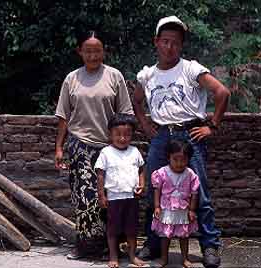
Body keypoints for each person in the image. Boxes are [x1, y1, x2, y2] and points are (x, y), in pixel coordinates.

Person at [133, 16, 231, 268]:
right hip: (161, 138)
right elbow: (136, 101)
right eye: (165, 41)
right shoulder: (147, 75)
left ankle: (209, 245)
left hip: (189, 136)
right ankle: (153, 243)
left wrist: (212, 126)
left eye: (175, 43)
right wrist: (144, 124)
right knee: (154, 190)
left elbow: (222, 92)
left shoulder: (190, 69)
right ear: (156, 42)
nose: (169, 47)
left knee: (198, 191)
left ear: (181, 45)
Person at [54, 30, 134, 259]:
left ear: (104, 51)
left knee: (113, 198)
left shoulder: (114, 76)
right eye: (88, 51)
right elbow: (63, 116)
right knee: (84, 198)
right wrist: (59, 148)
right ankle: (84, 247)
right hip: (80, 146)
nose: (92, 56)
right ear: (80, 52)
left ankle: (112, 249)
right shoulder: (72, 79)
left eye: (97, 51)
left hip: (111, 148)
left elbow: (125, 113)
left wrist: (122, 144)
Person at [94, 113, 145, 268]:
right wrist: (101, 196)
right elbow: (100, 175)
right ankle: (113, 256)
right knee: (113, 230)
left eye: (127, 135)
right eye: (118, 134)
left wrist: (142, 184)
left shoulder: (135, 151)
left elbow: (142, 169)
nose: (122, 138)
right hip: (114, 198)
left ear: (132, 135)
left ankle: (132, 256)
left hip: (132, 197)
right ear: (111, 134)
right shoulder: (106, 152)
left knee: (131, 230)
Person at [151, 139, 200, 268]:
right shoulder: (162, 173)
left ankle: (185, 258)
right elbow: (157, 190)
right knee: (165, 236)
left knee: (184, 235)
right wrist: (156, 206)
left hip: (183, 210)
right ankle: (164, 258)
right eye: (175, 159)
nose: (179, 163)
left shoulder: (190, 174)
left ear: (188, 159)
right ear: (169, 157)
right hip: (166, 209)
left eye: (183, 160)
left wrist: (192, 210)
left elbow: (194, 193)